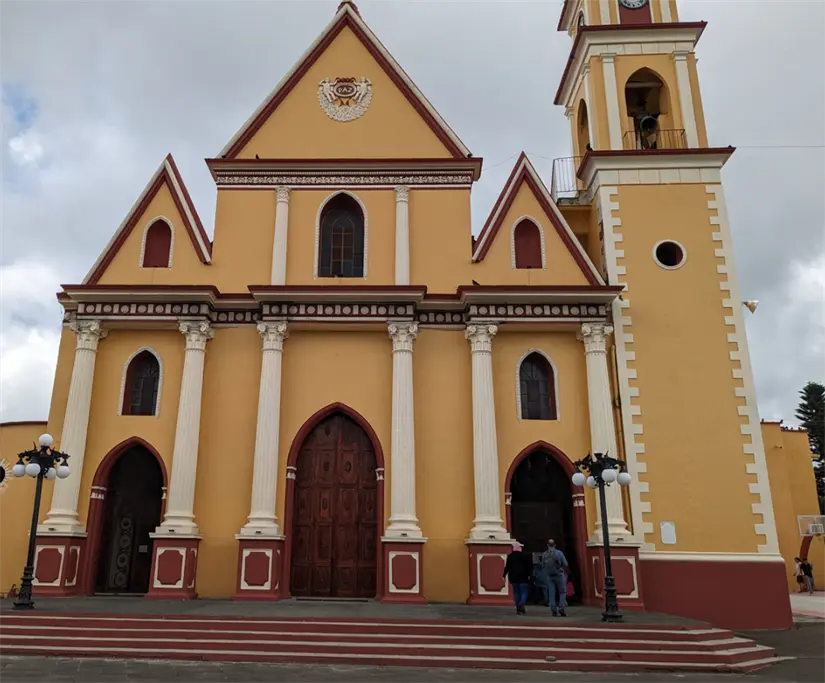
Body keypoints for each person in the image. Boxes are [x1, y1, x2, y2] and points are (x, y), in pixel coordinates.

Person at [542, 538, 570, 617]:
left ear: (547, 545)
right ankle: (561, 607)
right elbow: (565, 564)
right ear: (555, 545)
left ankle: (553, 610)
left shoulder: (545, 554)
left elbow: (542, 565)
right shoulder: (559, 553)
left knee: (551, 592)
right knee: (562, 592)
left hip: (550, 575)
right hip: (559, 574)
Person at [503, 541, 532, 615]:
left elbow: (507, 567)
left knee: (516, 592)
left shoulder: (510, 556)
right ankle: (522, 603)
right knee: (524, 591)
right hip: (523, 577)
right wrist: (530, 575)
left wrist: (504, 575)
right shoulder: (525, 556)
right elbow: (529, 567)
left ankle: (518, 609)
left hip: (513, 577)